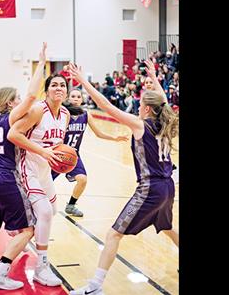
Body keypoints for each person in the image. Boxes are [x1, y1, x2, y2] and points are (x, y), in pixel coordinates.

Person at [68, 60, 179, 295]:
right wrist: (155, 79)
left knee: (114, 234)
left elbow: (107, 106)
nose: (138, 107)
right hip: (168, 186)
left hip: (150, 188)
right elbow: (163, 102)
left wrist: (84, 82)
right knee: (168, 228)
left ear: (147, 109)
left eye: (141, 104)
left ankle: (95, 286)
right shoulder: (164, 121)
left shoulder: (141, 125)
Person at [0, 43, 61, 290]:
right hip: (6, 178)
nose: (23, 102)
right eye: (17, 99)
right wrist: (41, 64)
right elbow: (32, 96)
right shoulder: (10, 118)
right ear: (10, 104)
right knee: (27, 231)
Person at [7, 73, 70, 287]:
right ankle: (41, 268)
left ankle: (16, 229)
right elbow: (13, 134)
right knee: (43, 212)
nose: (59, 88)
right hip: (28, 167)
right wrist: (42, 152)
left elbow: (56, 145)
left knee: (52, 211)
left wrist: (59, 156)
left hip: (45, 171)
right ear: (47, 89)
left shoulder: (65, 114)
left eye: (62, 85)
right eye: (54, 85)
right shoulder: (37, 110)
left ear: (67, 91)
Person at [51, 89, 129, 217]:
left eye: (78, 97)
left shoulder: (86, 115)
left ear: (82, 100)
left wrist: (114, 138)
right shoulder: (63, 113)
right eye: (73, 96)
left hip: (73, 156)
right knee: (45, 182)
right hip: (58, 153)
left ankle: (70, 206)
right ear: (68, 99)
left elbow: (98, 133)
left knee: (82, 179)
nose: (75, 99)